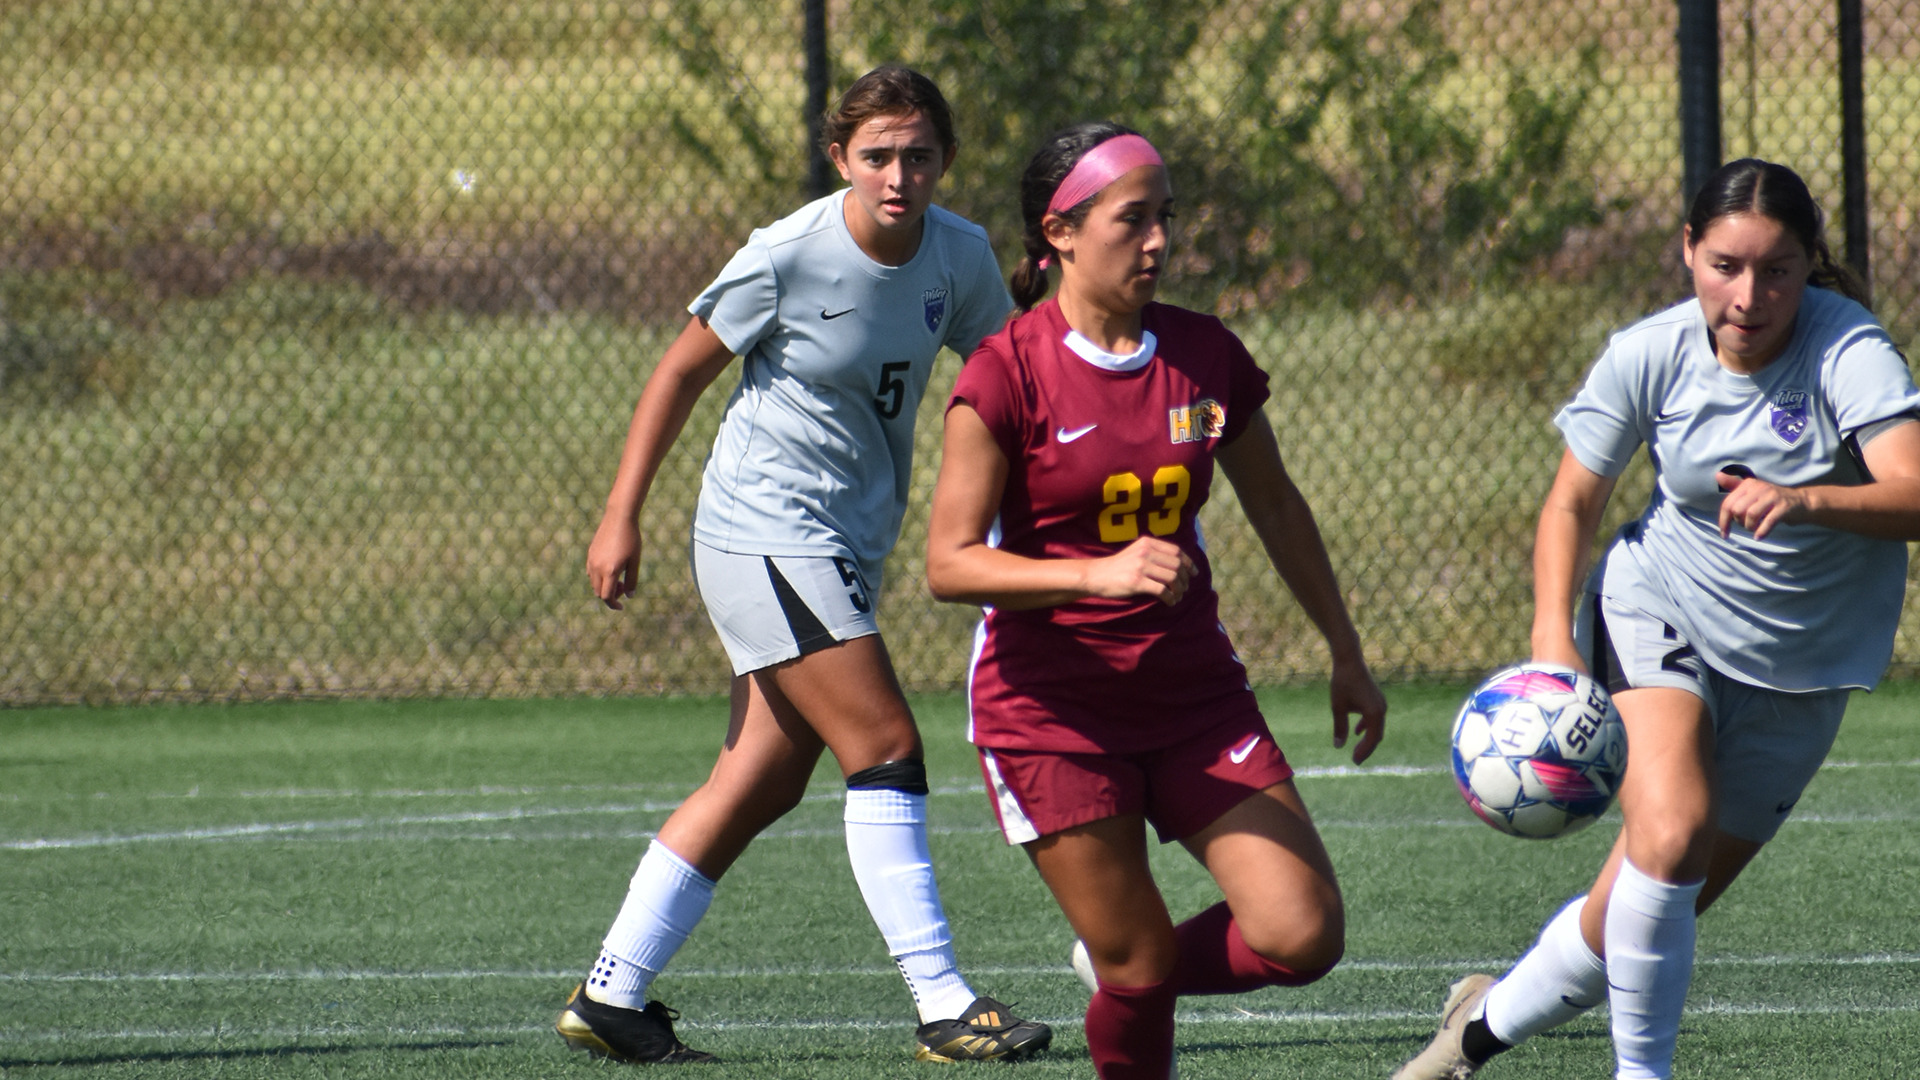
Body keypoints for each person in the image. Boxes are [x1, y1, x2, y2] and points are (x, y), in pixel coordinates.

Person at [557, 64, 1051, 1065]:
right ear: (840, 159)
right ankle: (942, 1001)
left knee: (759, 783)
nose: (897, 175)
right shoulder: (785, 254)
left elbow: (1012, 379)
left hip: (842, 544)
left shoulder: (957, 255)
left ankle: (612, 993)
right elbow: (677, 374)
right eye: (876, 156)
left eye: (917, 155)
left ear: (944, 161)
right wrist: (620, 518)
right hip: (760, 532)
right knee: (885, 743)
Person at [1393, 158, 1920, 1080]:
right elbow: (1569, 507)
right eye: (1725, 265)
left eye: (1778, 270)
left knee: (1646, 903)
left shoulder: (1849, 350)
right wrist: (1554, 643)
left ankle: (1473, 1032)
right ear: (1688, 250)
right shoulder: (1649, 352)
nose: (1749, 295)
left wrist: (1805, 503)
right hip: (1659, 604)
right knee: (1671, 833)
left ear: (1809, 264)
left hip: (1807, 666)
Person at [923, 121, 1388, 1080]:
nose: (1159, 242)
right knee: (1139, 968)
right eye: (1133, 221)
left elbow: (1276, 504)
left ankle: (1122, 966)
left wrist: (1344, 647)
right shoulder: (1004, 374)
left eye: (1165, 218)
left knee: (1303, 934)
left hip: (1190, 694)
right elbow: (952, 565)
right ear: (1060, 233)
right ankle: (1126, 973)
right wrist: (1094, 573)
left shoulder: (1203, 358)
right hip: (1052, 714)